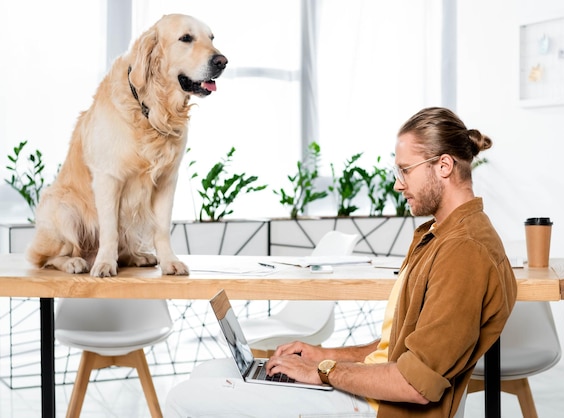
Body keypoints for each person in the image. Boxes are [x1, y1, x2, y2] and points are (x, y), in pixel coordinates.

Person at [164, 107, 517, 418]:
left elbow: (415, 384)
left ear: (443, 166)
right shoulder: (439, 236)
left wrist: (323, 371)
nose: (398, 184)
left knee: (185, 398)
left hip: (383, 408)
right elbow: (396, 349)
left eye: (405, 170)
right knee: (210, 372)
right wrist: (322, 354)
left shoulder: (465, 251)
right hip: (370, 395)